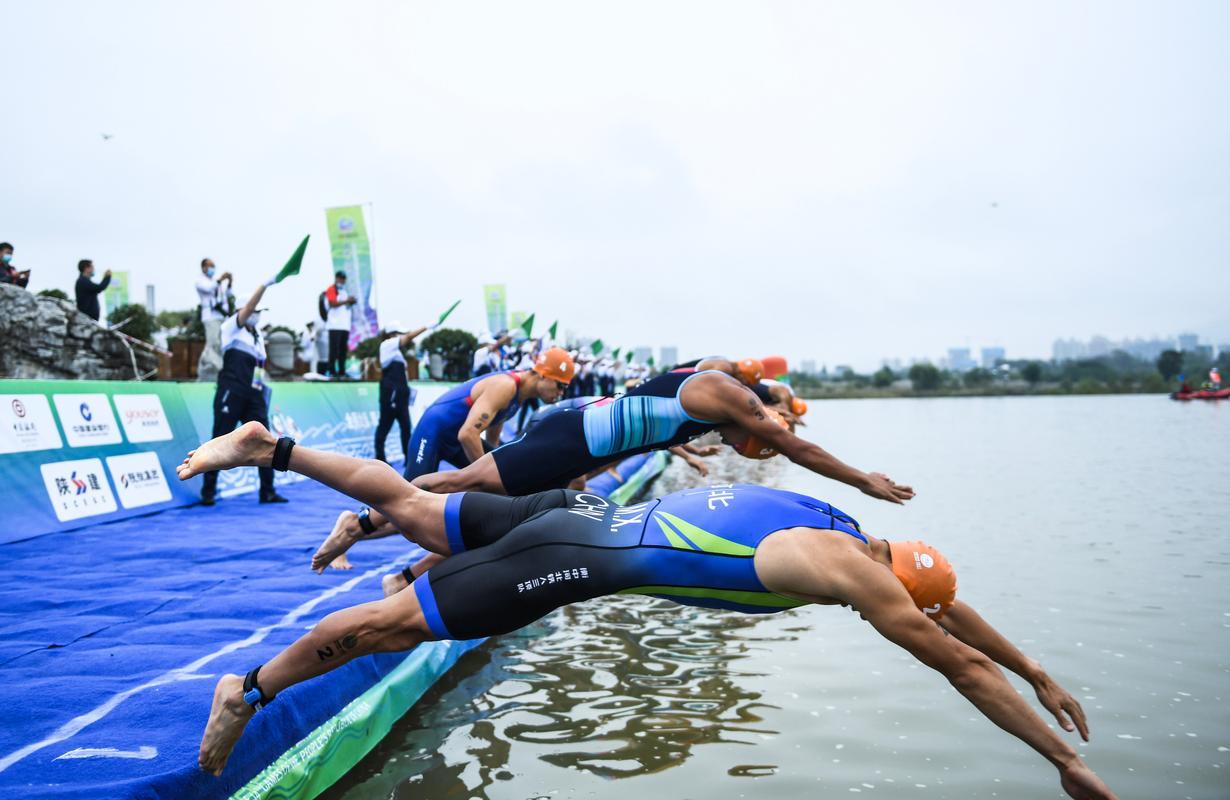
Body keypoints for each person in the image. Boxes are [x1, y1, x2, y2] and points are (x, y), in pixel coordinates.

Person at [177, 425, 1117, 800]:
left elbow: (956, 618)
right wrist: (1064, 761)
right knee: (388, 630)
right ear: (895, 589)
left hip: (577, 512)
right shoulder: (851, 573)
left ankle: (271, 448)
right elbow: (959, 662)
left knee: (416, 506)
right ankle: (247, 690)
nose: (913, 617)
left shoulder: (845, 528)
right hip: (572, 559)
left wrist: (1037, 669)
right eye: (913, 610)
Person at [329, 368, 912, 548]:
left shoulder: (718, 408)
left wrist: (690, 451)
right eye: (751, 444)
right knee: (465, 481)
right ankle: (358, 523)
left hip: (581, 448)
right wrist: (861, 480)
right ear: (755, 419)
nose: (742, 449)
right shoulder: (730, 396)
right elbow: (798, 447)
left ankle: (387, 548)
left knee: (488, 504)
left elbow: (653, 422)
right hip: (572, 437)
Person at [199, 275, 290, 507]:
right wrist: (265, 285)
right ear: (244, 310)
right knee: (220, 440)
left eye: (260, 312)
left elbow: (259, 368)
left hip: (254, 395)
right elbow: (249, 308)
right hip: (231, 391)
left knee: (265, 442)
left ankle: (267, 491)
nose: (257, 315)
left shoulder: (258, 336)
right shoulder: (231, 327)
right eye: (255, 311)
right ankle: (208, 491)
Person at [374, 320, 432, 464]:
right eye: (400, 333)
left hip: (401, 395)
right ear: (392, 334)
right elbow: (409, 337)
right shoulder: (387, 344)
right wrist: (427, 326)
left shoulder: (397, 352)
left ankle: (408, 458)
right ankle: (380, 458)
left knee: (406, 427)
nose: (403, 336)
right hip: (391, 394)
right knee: (384, 426)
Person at [196, 258, 234, 381]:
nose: (212, 269)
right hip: (210, 317)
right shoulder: (201, 281)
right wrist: (221, 279)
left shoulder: (217, 282)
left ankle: (219, 370)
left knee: (222, 344)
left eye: (213, 266)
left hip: (222, 317)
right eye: (210, 266)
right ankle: (204, 371)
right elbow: (208, 289)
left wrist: (229, 282)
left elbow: (229, 294)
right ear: (203, 267)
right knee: (212, 343)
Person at [324, 271, 357, 378]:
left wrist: (350, 301)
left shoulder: (344, 291)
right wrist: (346, 301)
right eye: (340, 278)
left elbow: (345, 304)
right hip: (334, 325)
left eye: (343, 279)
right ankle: (331, 371)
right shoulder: (331, 289)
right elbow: (332, 303)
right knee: (334, 350)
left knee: (343, 350)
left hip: (344, 325)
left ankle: (342, 371)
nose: (342, 280)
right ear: (336, 278)